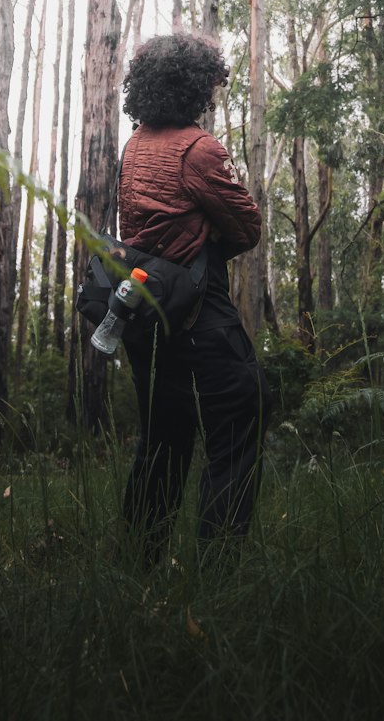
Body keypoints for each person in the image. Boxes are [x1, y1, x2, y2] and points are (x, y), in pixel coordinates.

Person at [117, 30, 273, 565]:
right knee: (240, 415)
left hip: (144, 312)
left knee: (164, 438)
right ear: (194, 85)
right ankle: (220, 565)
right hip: (201, 312)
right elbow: (247, 227)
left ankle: (140, 561)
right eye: (210, 81)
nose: (213, 90)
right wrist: (210, 229)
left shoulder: (134, 144)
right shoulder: (199, 148)